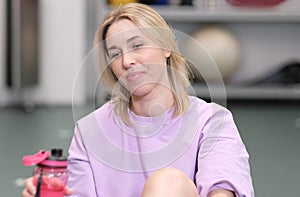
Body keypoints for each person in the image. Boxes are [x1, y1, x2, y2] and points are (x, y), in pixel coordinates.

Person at [23, 3, 254, 197]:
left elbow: (223, 189)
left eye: (137, 45)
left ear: (166, 47)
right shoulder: (89, 131)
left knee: (168, 183)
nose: (127, 61)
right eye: (115, 53)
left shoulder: (212, 121)